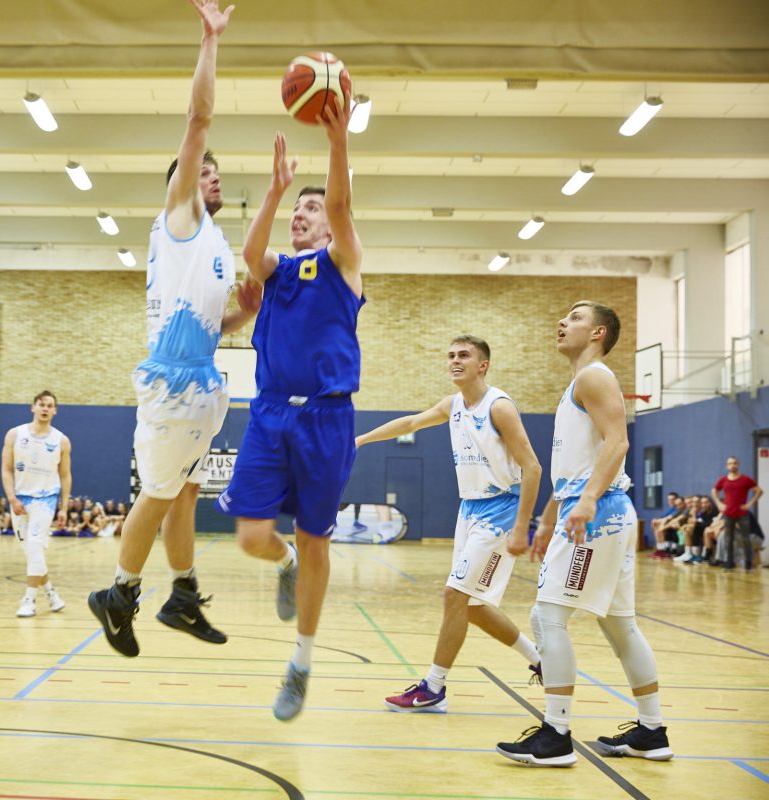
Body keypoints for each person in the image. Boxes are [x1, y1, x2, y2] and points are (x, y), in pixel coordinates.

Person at [88, 0, 260, 657]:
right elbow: (199, 118)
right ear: (184, 186)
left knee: (185, 492)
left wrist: (251, 308)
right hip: (170, 387)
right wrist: (210, 41)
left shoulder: (215, 244)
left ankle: (182, 596)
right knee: (160, 496)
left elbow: (221, 326)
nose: (211, 175)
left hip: (203, 381)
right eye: (201, 170)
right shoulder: (181, 218)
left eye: (216, 173)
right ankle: (119, 593)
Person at [216, 99, 364, 721]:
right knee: (252, 536)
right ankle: (286, 562)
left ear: (327, 226)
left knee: (316, 537)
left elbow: (340, 205)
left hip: (327, 419)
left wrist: (337, 142)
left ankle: (300, 662)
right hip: (271, 412)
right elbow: (251, 255)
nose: (304, 215)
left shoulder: (344, 263)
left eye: (310, 208)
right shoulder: (275, 270)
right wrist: (275, 191)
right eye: (298, 209)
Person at [497, 301, 673, 766]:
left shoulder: (595, 376)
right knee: (620, 624)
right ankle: (652, 731)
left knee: (546, 619)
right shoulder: (580, 381)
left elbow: (618, 442)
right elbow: (576, 466)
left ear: (597, 332)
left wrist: (588, 501)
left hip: (597, 514)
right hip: (598, 511)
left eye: (574, 317)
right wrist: (551, 516)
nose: (561, 322)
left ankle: (555, 735)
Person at [355, 335, 543, 713]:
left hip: (500, 510)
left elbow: (532, 467)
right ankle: (542, 660)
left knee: (454, 596)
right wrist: (360, 439)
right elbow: (411, 421)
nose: (455, 361)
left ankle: (433, 687)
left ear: (483, 365)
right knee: (471, 606)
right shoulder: (453, 404)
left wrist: (522, 525)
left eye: (464, 356)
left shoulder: (499, 407)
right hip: (469, 510)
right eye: (451, 356)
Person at [2, 390, 71, 617]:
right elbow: (7, 469)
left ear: (55, 410)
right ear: (33, 407)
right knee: (31, 552)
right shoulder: (14, 434)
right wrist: (11, 498)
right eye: (41, 404)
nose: (45, 408)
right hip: (20, 499)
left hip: (46, 498)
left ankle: (29, 599)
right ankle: (51, 593)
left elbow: (65, 476)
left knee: (34, 544)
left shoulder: (61, 440)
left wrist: (64, 507)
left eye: (49, 405)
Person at [711, 456, 762, 570]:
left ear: (738, 465)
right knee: (728, 539)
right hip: (728, 513)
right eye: (730, 463)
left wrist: (749, 504)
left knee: (745, 538)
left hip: (742, 513)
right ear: (727, 466)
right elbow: (714, 491)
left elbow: (759, 491)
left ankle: (748, 563)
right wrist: (719, 503)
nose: (732, 465)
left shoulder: (746, 479)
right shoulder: (723, 480)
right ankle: (729, 563)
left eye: (734, 463)